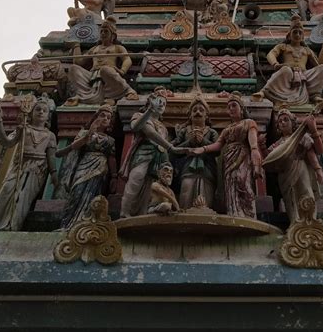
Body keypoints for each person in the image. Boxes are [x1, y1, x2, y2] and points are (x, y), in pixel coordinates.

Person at [0, 97, 58, 231]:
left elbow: (51, 157)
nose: (41, 112)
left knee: (23, 200)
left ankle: (13, 226)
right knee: (6, 192)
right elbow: (5, 142)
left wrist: (54, 175)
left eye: (45, 111)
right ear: (31, 112)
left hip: (37, 169)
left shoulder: (50, 135)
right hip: (19, 165)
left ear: (48, 116)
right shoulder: (24, 129)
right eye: (37, 109)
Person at [192, 92, 263, 219]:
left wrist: (255, 155)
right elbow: (218, 145)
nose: (231, 109)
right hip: (228, 160)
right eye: (229, 107)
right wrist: (202, 149)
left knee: (242, 182)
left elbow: (253, 142)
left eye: (234, 106)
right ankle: (234, 213)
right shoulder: (227, 129)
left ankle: (248, 214)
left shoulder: (249, 122)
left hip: (243, 156)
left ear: (241, 109)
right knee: (230, 185)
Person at [120, 89, 185, 217]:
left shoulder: (163, 127)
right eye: (159, 101)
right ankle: (125, 212)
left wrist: (178, 139)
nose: (161, 105)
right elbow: (145, 131)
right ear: (150, 102)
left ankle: (143, 214)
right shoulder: (139, 116)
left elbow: (163, 144)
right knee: (136, 179)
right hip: (143, 154)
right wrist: (149, 110)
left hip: (158, 159)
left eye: (164, 104)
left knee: (150, 186)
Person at [57, 104, 116, 230]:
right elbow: (75, 146)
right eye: (102, 115)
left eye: (108, 117)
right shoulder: (85, 133)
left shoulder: (110, 140)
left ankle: (87, 224)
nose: (105, 119)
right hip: (84, 164)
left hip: (100, 167)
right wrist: (90, 132)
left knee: (93, 195)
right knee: (76, 193)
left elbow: (112, 158)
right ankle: (68, 224)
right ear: (95, 117)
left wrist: (115, 177)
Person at [253, 17, 323, 107]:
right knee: (286, 70)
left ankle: (315, 95)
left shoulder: (307, 50)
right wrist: (276, 64)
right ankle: (264, 91)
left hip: (304, 76)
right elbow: (271, 54)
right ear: (289, 35)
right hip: (288, 74)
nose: (297, 35)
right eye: (295, 32)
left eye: (300, 33)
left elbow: (319, 65)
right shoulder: (283, 46)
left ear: (303, 37)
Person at [265, 109, 323, 223]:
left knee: (306, 192)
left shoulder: (301, 137)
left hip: (301, 167)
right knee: (290, 197)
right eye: (280, 121)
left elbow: (316, 152)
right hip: (285, 173)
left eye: (286, 120)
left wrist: (318, 170)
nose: (282, 123)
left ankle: (310, 220)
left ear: (293, 123)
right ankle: (295, 221)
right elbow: (270, 160)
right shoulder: (277, 144)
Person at [65, 17, 139, 106]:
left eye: (106, 31)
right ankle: (82, 95)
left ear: (113, 36)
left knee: (105, 70)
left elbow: (127, 59)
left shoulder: (117, 47)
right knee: (73, 69)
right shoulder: (94, 49)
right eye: (101, 31)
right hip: (92, 76)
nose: (103, 33)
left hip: (108, 74)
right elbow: (78, 62)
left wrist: (122, 71)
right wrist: (76, 46)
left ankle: (127, 90)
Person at [172, 96, 219, 210]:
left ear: (206, 116)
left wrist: (203, 141)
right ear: (190, 115)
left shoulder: (212, 132)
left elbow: (218, 150)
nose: (198, 112)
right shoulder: (184, 131)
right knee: (186, 195)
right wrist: (189, 142)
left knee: (206, 198)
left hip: (207, 170)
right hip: (187, 170)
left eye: (201, 110)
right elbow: (173, 150)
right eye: (194, 110)